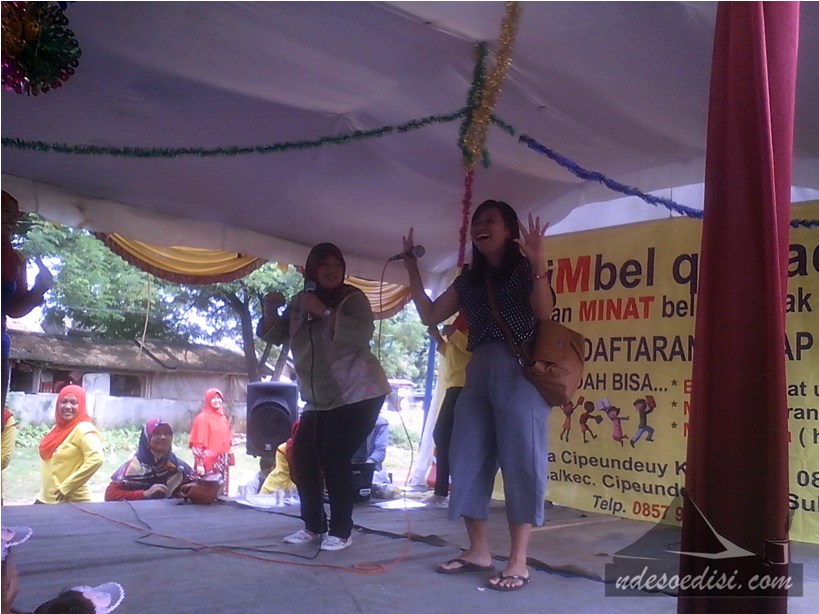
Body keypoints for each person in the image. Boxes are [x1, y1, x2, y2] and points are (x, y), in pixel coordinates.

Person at [401, 199, 554, 591]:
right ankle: (479, 551)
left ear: (509, 229)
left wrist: (538, 263)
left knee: (522, 461)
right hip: (478, 369)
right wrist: (412, 270)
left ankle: (518, 561)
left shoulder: (523, 269)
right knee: (465, 456)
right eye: (476, 222)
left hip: (520, 372)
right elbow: (431, 315)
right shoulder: (468, 279)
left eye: (490, 220)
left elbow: (544, 314)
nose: (480, 227)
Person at [257, 242, 390, 551]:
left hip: (359, 392)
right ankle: (313, 525)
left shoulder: (352, 299)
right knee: (302, 457)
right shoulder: (300, 302)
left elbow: (361, 334)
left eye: (337, 265)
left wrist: (324, 311)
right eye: (324, 264)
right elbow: (275, 334)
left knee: (334, 456)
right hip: (319, 399)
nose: (331, 270)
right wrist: (270, 311)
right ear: (312, 269)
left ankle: (341, 530)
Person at [2, 191, 53, 409]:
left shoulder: (16, 260)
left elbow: (13, 309)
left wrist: (38, 290)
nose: (12, 220)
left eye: (15, 215)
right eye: (5, 211)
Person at [423, 312, 471, 507]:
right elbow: (452, 355)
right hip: (455, 386)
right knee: (445, 437)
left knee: (444, 435)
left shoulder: (474, 327)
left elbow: (471, 350)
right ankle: (444, 491)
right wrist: (437, 336)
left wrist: (453, 334)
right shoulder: (458, 327)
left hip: (465, 386)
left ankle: (445, 491)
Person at [36, 385, 104, 504]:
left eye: (73, 402)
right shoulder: (58, 429)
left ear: (81, 405)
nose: (67, 406)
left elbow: (97, 459)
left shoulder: (83, 429)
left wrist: (67, 487)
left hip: (71, 501)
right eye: (63, 402)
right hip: (47, 498)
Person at [105, 419, 195, 501]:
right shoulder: (133, 468)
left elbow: (195, 485)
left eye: (167, 433)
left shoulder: (178, 466)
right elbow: (110, 495)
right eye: (157, 433)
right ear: (146, 439)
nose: (163, 437)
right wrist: (145, 494)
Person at [188, 388, 233, 495]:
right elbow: (198, 443)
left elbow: (223, 437)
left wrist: (231, 443)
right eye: (213, 398)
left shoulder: (222, 418)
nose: (217, 401)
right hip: (207, 463)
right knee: (207, 491)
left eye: (219, 398)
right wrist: (200, 464)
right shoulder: (202, 418)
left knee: (221, 491)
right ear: (208, 400)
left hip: (221, 461)